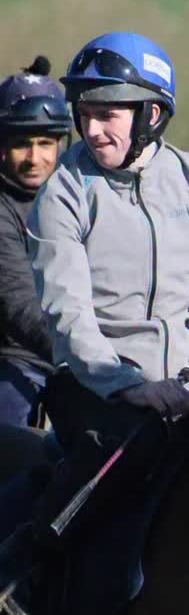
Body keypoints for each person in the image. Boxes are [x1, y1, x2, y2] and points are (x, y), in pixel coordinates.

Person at [0, 31, 189, 615]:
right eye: (84, 115)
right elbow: (68, 318)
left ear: (152, 114)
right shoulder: (61, 194)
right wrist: (129, 384)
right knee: (138, 445)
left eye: (106, 115)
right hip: (92, 387)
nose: (90, 131)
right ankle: (27, 567)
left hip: (187, 382)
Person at [0, 57, 72, 426]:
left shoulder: (80, 197)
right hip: (16, 358)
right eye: (21, 144)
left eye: (46, 142)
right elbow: (20, 307)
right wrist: (89, 360)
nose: (34, 158)